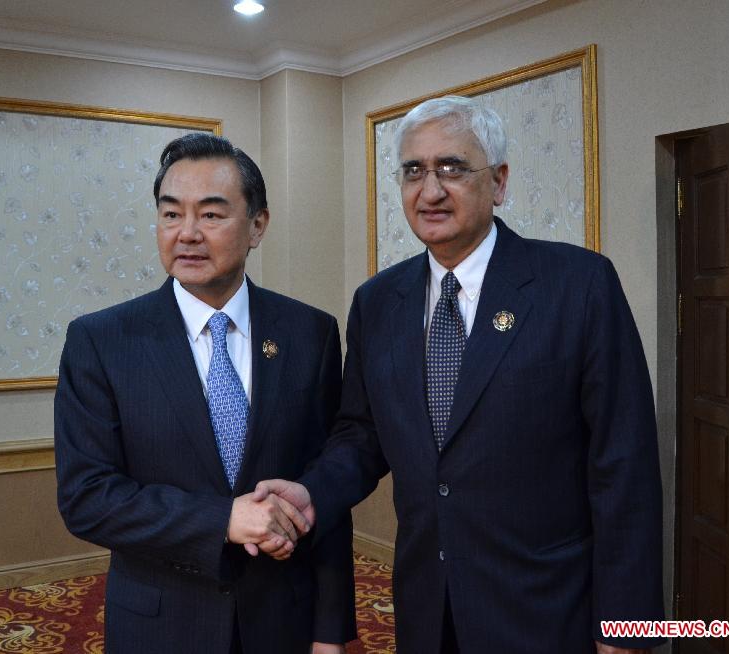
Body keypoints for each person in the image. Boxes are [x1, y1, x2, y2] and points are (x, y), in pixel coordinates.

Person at [255, 96, 665, 653]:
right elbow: (361, 434)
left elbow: (624, 460)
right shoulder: (377, 302)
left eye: (452, 168)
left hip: (548, 607)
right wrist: (311, 493)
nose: (430, 190)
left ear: (498, 182)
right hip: (428, 605)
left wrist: (627, 625)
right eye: (414, 171)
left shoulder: (578, 285)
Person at [54, 132, 356, 654]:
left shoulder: (310, 333)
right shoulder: (101, 340)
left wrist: (330, 630)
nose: (187, 234)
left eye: (212, 215)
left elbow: (324, 487)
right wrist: (223, 519)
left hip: (283, 618)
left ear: (257, 226)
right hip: (161, 624)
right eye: (171, 215)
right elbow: (87, 498)